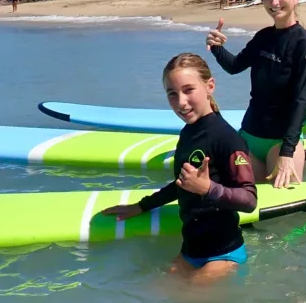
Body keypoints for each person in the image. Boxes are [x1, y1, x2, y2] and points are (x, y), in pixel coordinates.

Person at [95, 53, 257, 284]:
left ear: (210, 86)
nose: (181, 102)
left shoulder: (227, 139)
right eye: (172, 93)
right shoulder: (189, 132)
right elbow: (183, 184)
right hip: (191, 252)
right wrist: (142, 206)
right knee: (153, 298)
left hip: (223, 255)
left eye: (188, 90)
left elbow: (249, 200)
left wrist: (208, 188)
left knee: (181, 301)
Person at [205, 0, 306, 188]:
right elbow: (234, 66)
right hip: (249, 137)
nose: (273, 1)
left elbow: (301, 101)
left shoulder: (304, 44)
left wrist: (287, 152)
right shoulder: (263, 37)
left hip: (281, 143)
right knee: (247, 206)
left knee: (280, 214)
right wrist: (216, 47)